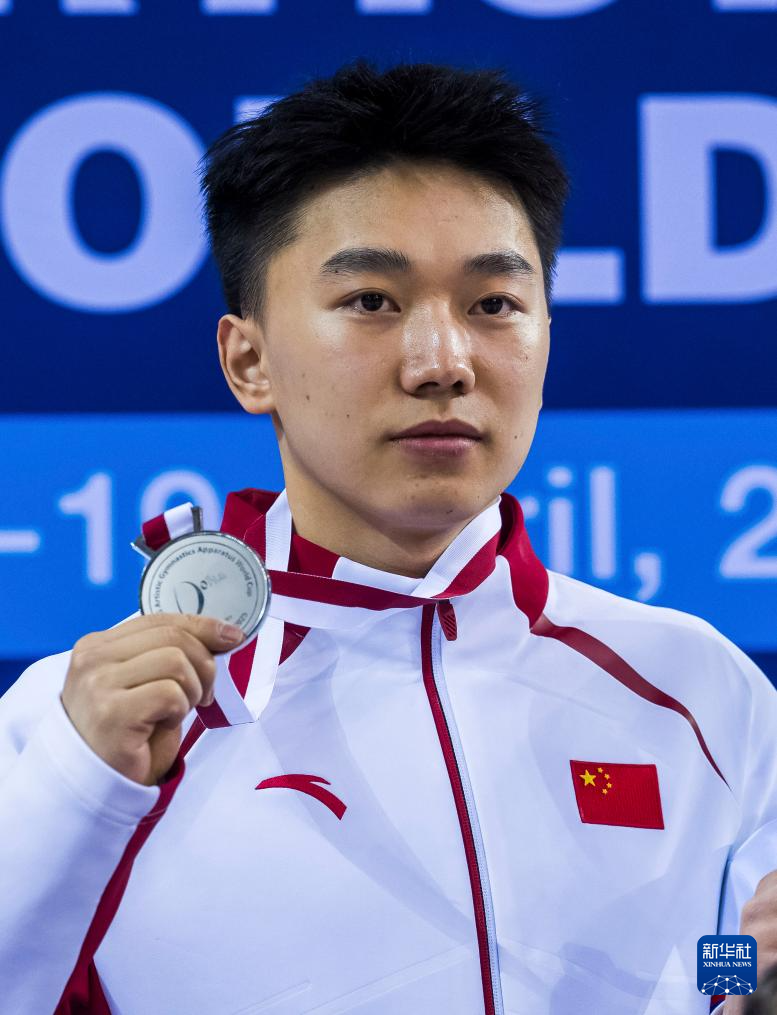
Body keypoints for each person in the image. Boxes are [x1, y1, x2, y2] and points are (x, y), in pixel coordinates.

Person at [0, 60, 774, 1015]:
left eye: (493, 304)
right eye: (372, 300)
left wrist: (742, 990)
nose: (442, 362)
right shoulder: (86, 726)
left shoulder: (696, 690)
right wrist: (79, 787)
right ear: (248, 360)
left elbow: (717, 968)